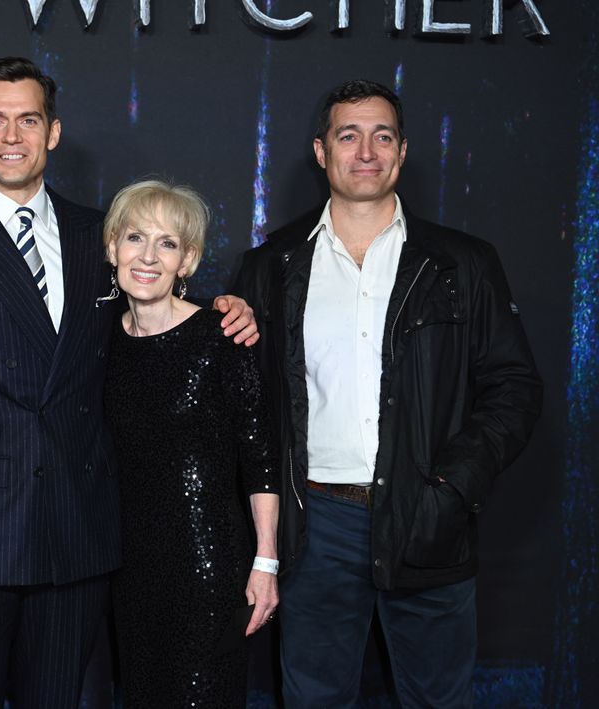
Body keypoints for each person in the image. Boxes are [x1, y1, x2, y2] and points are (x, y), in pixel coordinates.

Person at [0, 56, 257, 708]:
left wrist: (222, 311)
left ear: (52, 132)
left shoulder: (98, 235)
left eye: (28, 119)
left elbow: (153, 310)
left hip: (79, 532)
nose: (12, 136)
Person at [232, 79, 543, 707]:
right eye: (349, 135)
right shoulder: (273, 265)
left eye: (382, 136)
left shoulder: (462, 263)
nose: (366, 150)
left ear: (401, 154)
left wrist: (452, 488)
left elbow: (514, 387)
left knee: (438, 699)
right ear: (322, 152)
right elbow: (247, 401)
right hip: (315, 524)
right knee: (314, 699)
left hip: (429, 519)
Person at [101, 180, 279, 707]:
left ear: (189, 261)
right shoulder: (100, 339)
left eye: (168, 243)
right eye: (136, 238)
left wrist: (266, 560)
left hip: (209, 566)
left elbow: (260, 453)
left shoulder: (222, 335)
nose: (148, 257)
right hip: (129, 569)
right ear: (113, 248)